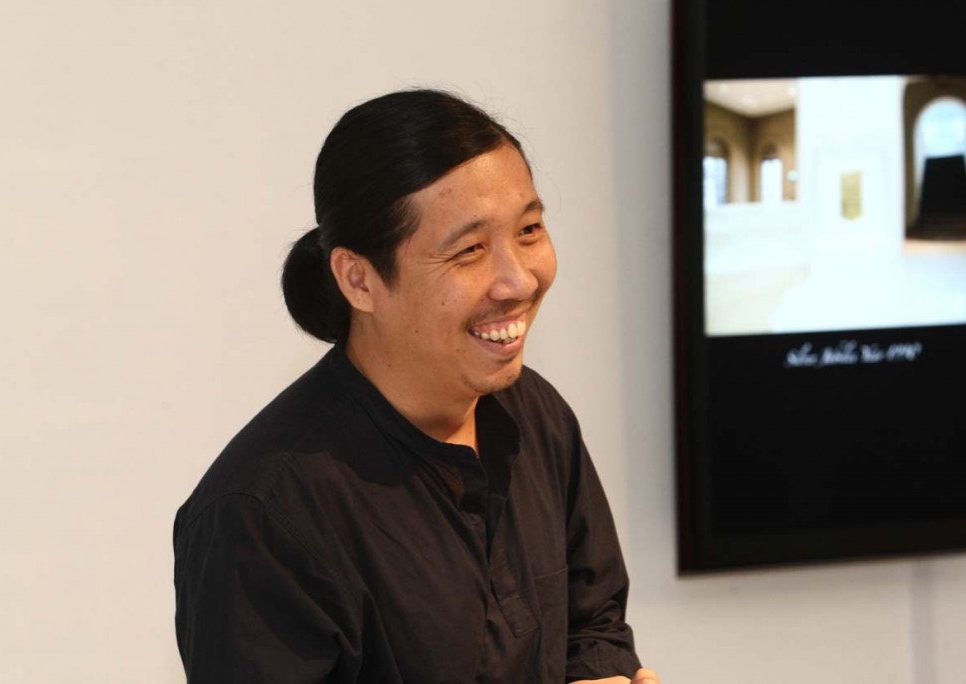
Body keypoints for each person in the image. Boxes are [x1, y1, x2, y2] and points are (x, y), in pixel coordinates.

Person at [173, 89, 658, 684]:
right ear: (359, 279)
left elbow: (592, 623)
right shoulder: (260, 514)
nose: (519, 280)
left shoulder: (537, 415)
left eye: (529, 229)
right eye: (469, 250)